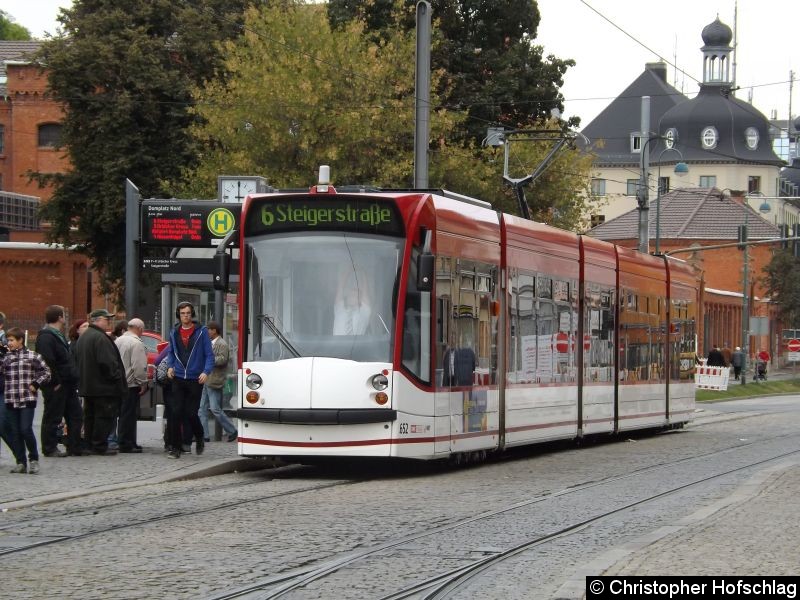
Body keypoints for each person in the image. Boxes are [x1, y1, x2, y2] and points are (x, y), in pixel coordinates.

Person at [73, 309, 127, 455]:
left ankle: (90, 443)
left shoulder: (85, 337)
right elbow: (108, 363)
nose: (109, 322)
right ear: (96, 320)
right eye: (106, 319)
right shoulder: (100, 338)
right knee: (103, 416)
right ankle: (99, 445)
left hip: (88, 385)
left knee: (90, 416)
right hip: (103, 387)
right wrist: (116, 378)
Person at [165, 301, 214, 459]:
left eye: (187, 313)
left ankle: (199, 436)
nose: (185, 316)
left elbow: (209, 355)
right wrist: (170, 366)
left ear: (191, 314)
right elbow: (171, 352)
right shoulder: (174, 332)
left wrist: (206, 371)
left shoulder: (202, 332)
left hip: (195, 378)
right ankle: (175, 448)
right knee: (175, 412)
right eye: (182, 313)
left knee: (191, 413)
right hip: (178, 377)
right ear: (178, 315)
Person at [35, 305, 85, 458]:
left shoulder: (57, 335)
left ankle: (74, 446)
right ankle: (49, 447)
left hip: (67, 382)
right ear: (59, 317)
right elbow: (47, 361)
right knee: (53, 416)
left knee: (75, 415)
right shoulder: (46, 336)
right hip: (56, 384)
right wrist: (55, 381)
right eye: (64, 315)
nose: (65, 317)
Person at [1, 327, 51, 474]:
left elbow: (46, 372)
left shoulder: (32, 356)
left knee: (25, 429)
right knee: (15, 432)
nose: (9, 343)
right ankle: (20, 461)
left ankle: (34, 459)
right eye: (8, 340)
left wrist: (36, 383)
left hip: (27, 398)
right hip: (10, 398)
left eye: (11, 340)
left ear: (20, 340)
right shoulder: (6, 358)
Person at [198, 321, 238, 443]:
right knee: (201, 409)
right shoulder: (209, 343)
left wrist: (208, 358)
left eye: (209, 330)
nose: (207, 332)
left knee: (215, 409)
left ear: (214, 330)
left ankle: (232, 430)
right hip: (206, 379)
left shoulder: (222, 344)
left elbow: (222, 360)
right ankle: (204, 435)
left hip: (214, 380)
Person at [114, 318, 148, 453]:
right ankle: (127, 443)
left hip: (120, 382)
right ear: (139, 329)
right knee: (129, 415)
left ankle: (126, 441)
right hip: (131, 383)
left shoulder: (118, 341)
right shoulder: (136, 343)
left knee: (123, 414)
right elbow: (138, 367)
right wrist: (143, 382)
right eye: (142, 330)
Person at [333, 271, 371, 335]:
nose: (351, 297)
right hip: (337, 345)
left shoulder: (364, 312)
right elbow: (340, 287)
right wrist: (349, 269)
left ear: (360, 300)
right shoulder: (339, 309)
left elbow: (365, 292)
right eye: (350, 295)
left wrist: (363, 273)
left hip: (357, 345)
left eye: (355, 295)